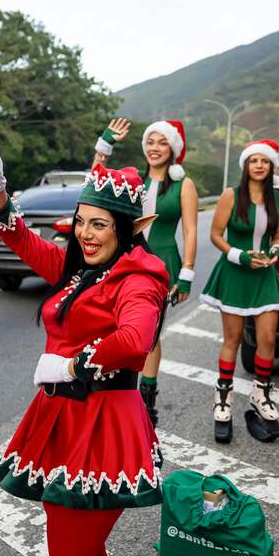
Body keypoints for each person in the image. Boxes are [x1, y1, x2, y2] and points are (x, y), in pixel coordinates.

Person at [0, 123, 167, 556]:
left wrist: (71, 365)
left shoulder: (139, 278)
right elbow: (22, 241)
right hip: (64, 421)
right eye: (82, 222)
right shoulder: (78, 271)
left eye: (100, 224)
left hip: (105, 425)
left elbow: (135, 340)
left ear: (126, 229)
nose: (86, 235)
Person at [93, 117, 199, 426]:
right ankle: (114, 393)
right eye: (150, 142)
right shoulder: (134, 180)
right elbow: (96, 180)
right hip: (125, 264)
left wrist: (187, 273)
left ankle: (146, 404)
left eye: (162, 142)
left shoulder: (183, 184)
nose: (155, 148)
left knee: (149, 335)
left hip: (162, 265)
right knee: (116, 329)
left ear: (173, 148)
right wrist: (105, 144)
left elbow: (191, 232)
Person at [200, 140, 279, 443]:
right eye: (254, 161)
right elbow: (215, 235)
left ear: (271, 165)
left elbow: (278, 236)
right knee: (233, 339)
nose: (259, 165)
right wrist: (240, 255)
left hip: (264, 277)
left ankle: (260, 394)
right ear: (246, 166)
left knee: (267, 338)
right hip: (236, 273)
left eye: (265, 161)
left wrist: (275, 251)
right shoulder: (231, 195)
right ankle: (223, 400)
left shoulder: (278, 198)